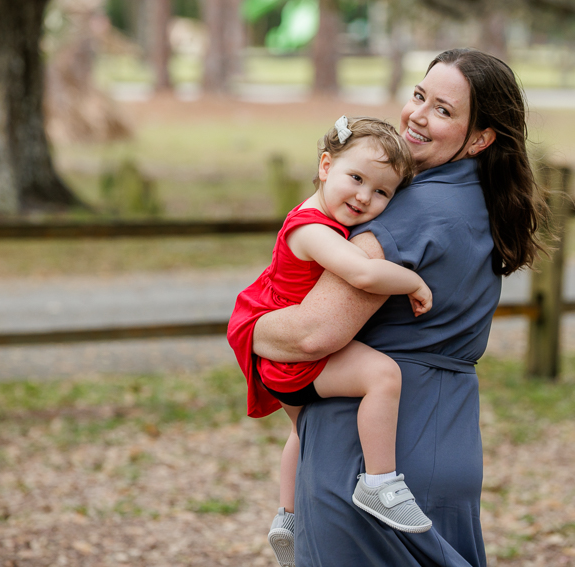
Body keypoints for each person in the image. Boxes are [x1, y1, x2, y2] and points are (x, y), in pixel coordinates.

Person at [251, 48, 549, 566]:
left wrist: (245, 327)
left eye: (443, 110)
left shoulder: (411, 210)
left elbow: (311, 336)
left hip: (367, 460)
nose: (416, 115)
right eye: (419, 96)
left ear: (480, 139)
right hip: (448, 438)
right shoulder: (478, 203)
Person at [227, 116, 437, 567]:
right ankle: (379, 483)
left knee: (304, 433)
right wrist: (413, 281)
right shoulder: (312, 229)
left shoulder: (319, 213)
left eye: (382, 192)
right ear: (326, 166)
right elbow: (362, 272)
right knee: (382, 375)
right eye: (356, 178)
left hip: (280, 362)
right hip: (293, 361)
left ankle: (288, 516)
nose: (364, 197)